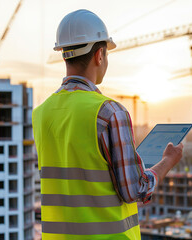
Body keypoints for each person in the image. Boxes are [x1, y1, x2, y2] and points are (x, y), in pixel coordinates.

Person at [32, 9, 183, 240]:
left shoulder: (40, 114)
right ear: (99, 55)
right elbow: (136, 189)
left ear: (64, 55)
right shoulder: (110, 112)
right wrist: (167, 161)